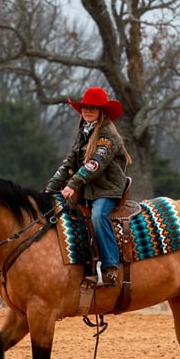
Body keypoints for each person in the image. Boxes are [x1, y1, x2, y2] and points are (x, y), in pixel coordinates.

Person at [46, 87, 132, 287]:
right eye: (85, 107)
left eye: (92, 108)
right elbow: (69, 163)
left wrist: (72, 185)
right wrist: (50, 188)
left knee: (98, 215)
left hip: (107, 189)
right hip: (88, 189)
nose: (87, 111)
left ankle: (110, 266)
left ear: (102, 112)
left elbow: (94, 164)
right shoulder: (84, 132)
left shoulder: (107, 136)